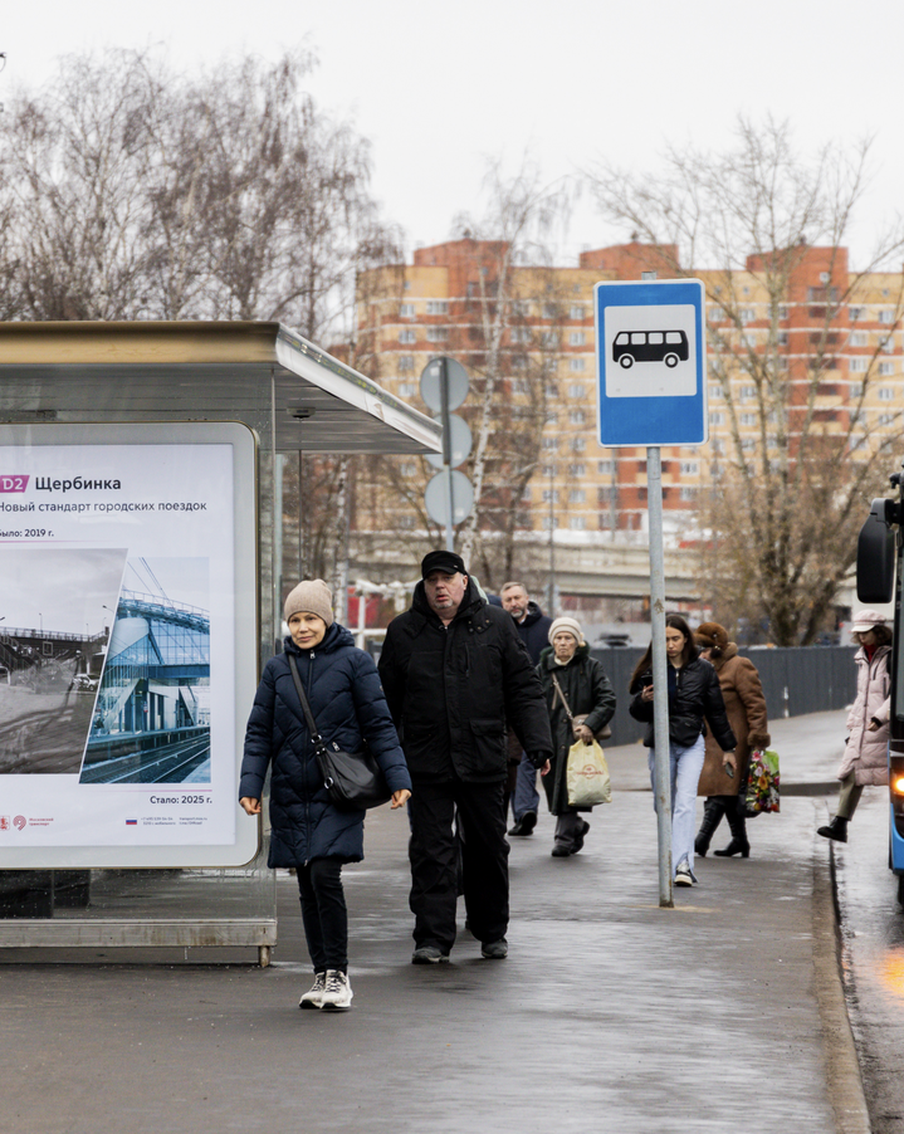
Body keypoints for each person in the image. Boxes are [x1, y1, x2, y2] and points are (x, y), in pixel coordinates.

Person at [239, 579, 412, 1011]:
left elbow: (379, 725)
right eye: (294, 620)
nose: (301, 627)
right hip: (291, 792)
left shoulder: (355, 662)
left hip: (337, 791)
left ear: (326, 620)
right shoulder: (278, 669)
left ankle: (338, 974)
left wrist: (398, 778)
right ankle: (321, 975)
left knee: (323, 875)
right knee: (306, 884)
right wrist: (250, 786)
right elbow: (259, 732)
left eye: (309, 619)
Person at [378, 550, 553, 964]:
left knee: (488, 847)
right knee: (431, 850)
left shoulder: (495, 625)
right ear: (423, 586)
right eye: (432, 580)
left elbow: (523, 689)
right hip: (425, 761)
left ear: (464, 581)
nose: (440, 586)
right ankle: (433, 938)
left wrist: (539, 743)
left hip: (484, 758)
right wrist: (385, 760)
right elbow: (385, 703)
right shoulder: (404, 631)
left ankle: (491, 930)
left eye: (447, 578)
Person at [629, 613, 737, 887]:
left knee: (686, 804)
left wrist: (728, 748)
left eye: (675, 638)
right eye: (664, 639)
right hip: (660, 744)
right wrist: (643, 700)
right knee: (663, 804)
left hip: (691, 743)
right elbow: (636, 713)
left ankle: (682, 865)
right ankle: (677, 855)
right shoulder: (652, 669)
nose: (670, 644)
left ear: (686, 639)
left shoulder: (703, 670)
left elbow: (716, 711)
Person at [537, 616, 616, 857]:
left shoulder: (592, 667)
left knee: (571, 787)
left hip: (578, 739)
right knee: (555, 786)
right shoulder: (542, 670)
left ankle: (563, 838)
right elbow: (531, 702)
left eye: (568, 638)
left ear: (577, 641)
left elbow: (607, 699)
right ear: (552, 642)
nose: (563, 643)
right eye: (559, 638)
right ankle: (576, 828)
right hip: (550, 738)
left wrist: (591, 725)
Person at [692, 622, 771, 859]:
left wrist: (757, 738)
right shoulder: (704, 669)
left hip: (735, 741)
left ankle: (701, 840)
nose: (701, 653)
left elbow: (756, 704)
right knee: (726, 791)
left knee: (721, 791)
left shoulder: (739, 666)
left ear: (717, 647)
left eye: (705, 649)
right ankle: (739, 840)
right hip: (710, 741)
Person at [818, 609, 892, 844]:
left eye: (866, 633)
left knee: (895, 780)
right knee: (850, 773)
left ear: (878, 632)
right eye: (858, 633)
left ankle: (840, 825)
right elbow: (863, 696)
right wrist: (853, 726)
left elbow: (897, 695)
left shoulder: (892, 657)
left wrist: (880, 718)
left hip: (887, 729)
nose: (861, 637)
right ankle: (839, 825)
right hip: (867, 730)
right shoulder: (863, 658)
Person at [500, 581, 553, 837]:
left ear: (527, 599)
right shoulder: (499, 628)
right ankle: (522, 812)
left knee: (527, 758)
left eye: (517, 598)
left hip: (536, 704)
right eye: (508, 599)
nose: (514, 603)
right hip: (505, 707)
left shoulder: (547, 628)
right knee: (511, 761)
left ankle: (524, 811)